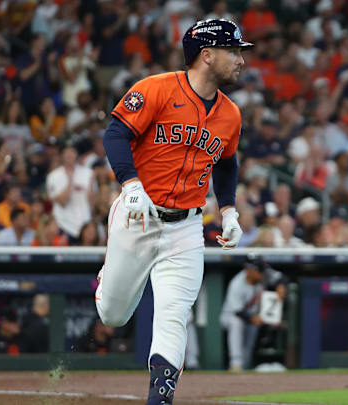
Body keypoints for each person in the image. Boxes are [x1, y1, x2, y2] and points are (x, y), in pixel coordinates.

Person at [95, 19, 251, 405]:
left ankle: (160, 398)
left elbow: (227, 163)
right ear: (207, 55)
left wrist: (228, 210)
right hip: (138, 215)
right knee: (113, 315)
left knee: (173, 313)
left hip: (187, 227)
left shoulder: (231, 114)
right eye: (233, 51)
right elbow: (115, 134)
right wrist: (131, 184)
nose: (240, 60)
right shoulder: (157, 88)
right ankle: (105, 280)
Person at [219, 257, 287, 371]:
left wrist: (281, 286)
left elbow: (281, 277)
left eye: (262, 270)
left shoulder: (264, 274)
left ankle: (244, 366)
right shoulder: (237, 284)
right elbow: (238, 311)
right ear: (249, 270)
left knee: (251, 336)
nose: (262, 273)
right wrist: (253, 319)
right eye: (259, 271)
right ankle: (235, 363)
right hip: (232, 316)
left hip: (254, 316)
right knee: (236, 323)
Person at [45, 143, 94, 242]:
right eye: (66, 152)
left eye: (72, 151)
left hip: (84, 225)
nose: (70, 155)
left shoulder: (88, 173)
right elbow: (62, 201)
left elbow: (92, 203)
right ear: (61, 155)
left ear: (76, 154)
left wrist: (91, 188)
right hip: (63, 226)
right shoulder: (53, 176)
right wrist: (70, 181)